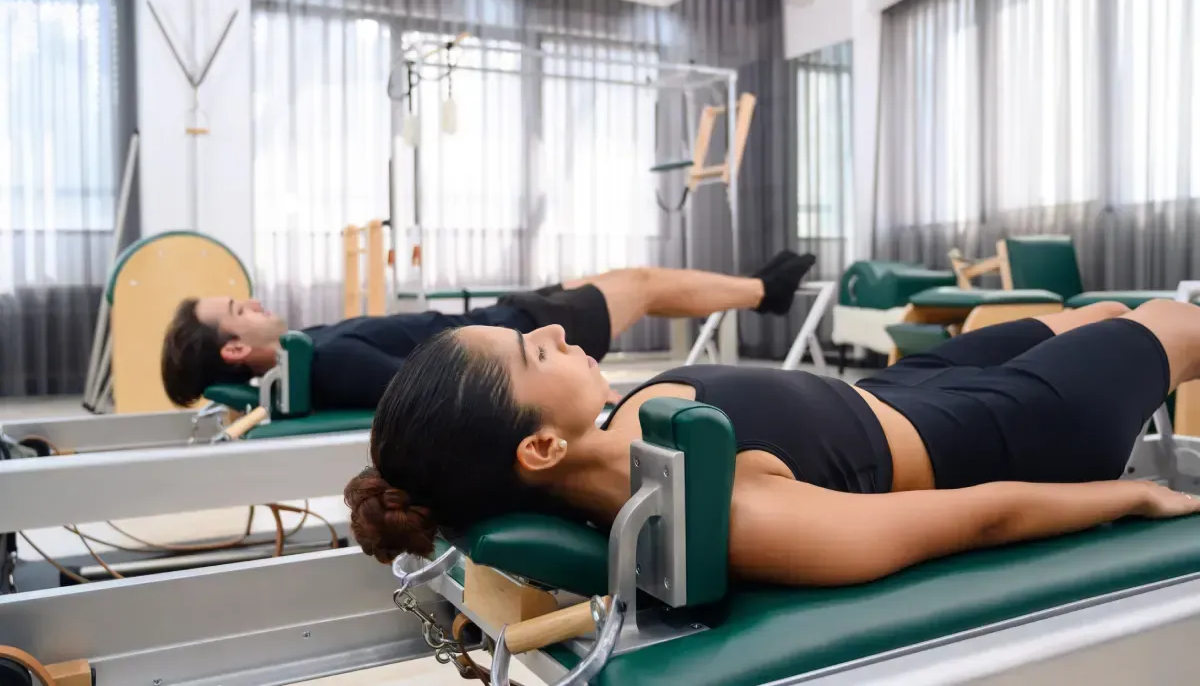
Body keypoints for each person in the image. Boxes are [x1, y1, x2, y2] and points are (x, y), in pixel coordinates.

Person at [345, 298, 1200, 587]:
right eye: (538, 351)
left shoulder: (622, 435)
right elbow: (978, 519)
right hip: (1008, 430)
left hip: (907, 389)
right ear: (538, 449)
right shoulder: (729, 511)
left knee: (1100, 315)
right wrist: (1134, 494)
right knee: (1175, 322)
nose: (560, 329)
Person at [160, 251, 817, 411]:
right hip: (522, 330)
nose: (249, 301)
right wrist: (586, 400)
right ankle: (766, 291)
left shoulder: (312, 346)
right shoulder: (328, 361)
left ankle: (762, 291)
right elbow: (455, 385)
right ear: (237, 348)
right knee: (641, 283)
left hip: (511, 316)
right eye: (236, 311)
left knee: (630, 281)